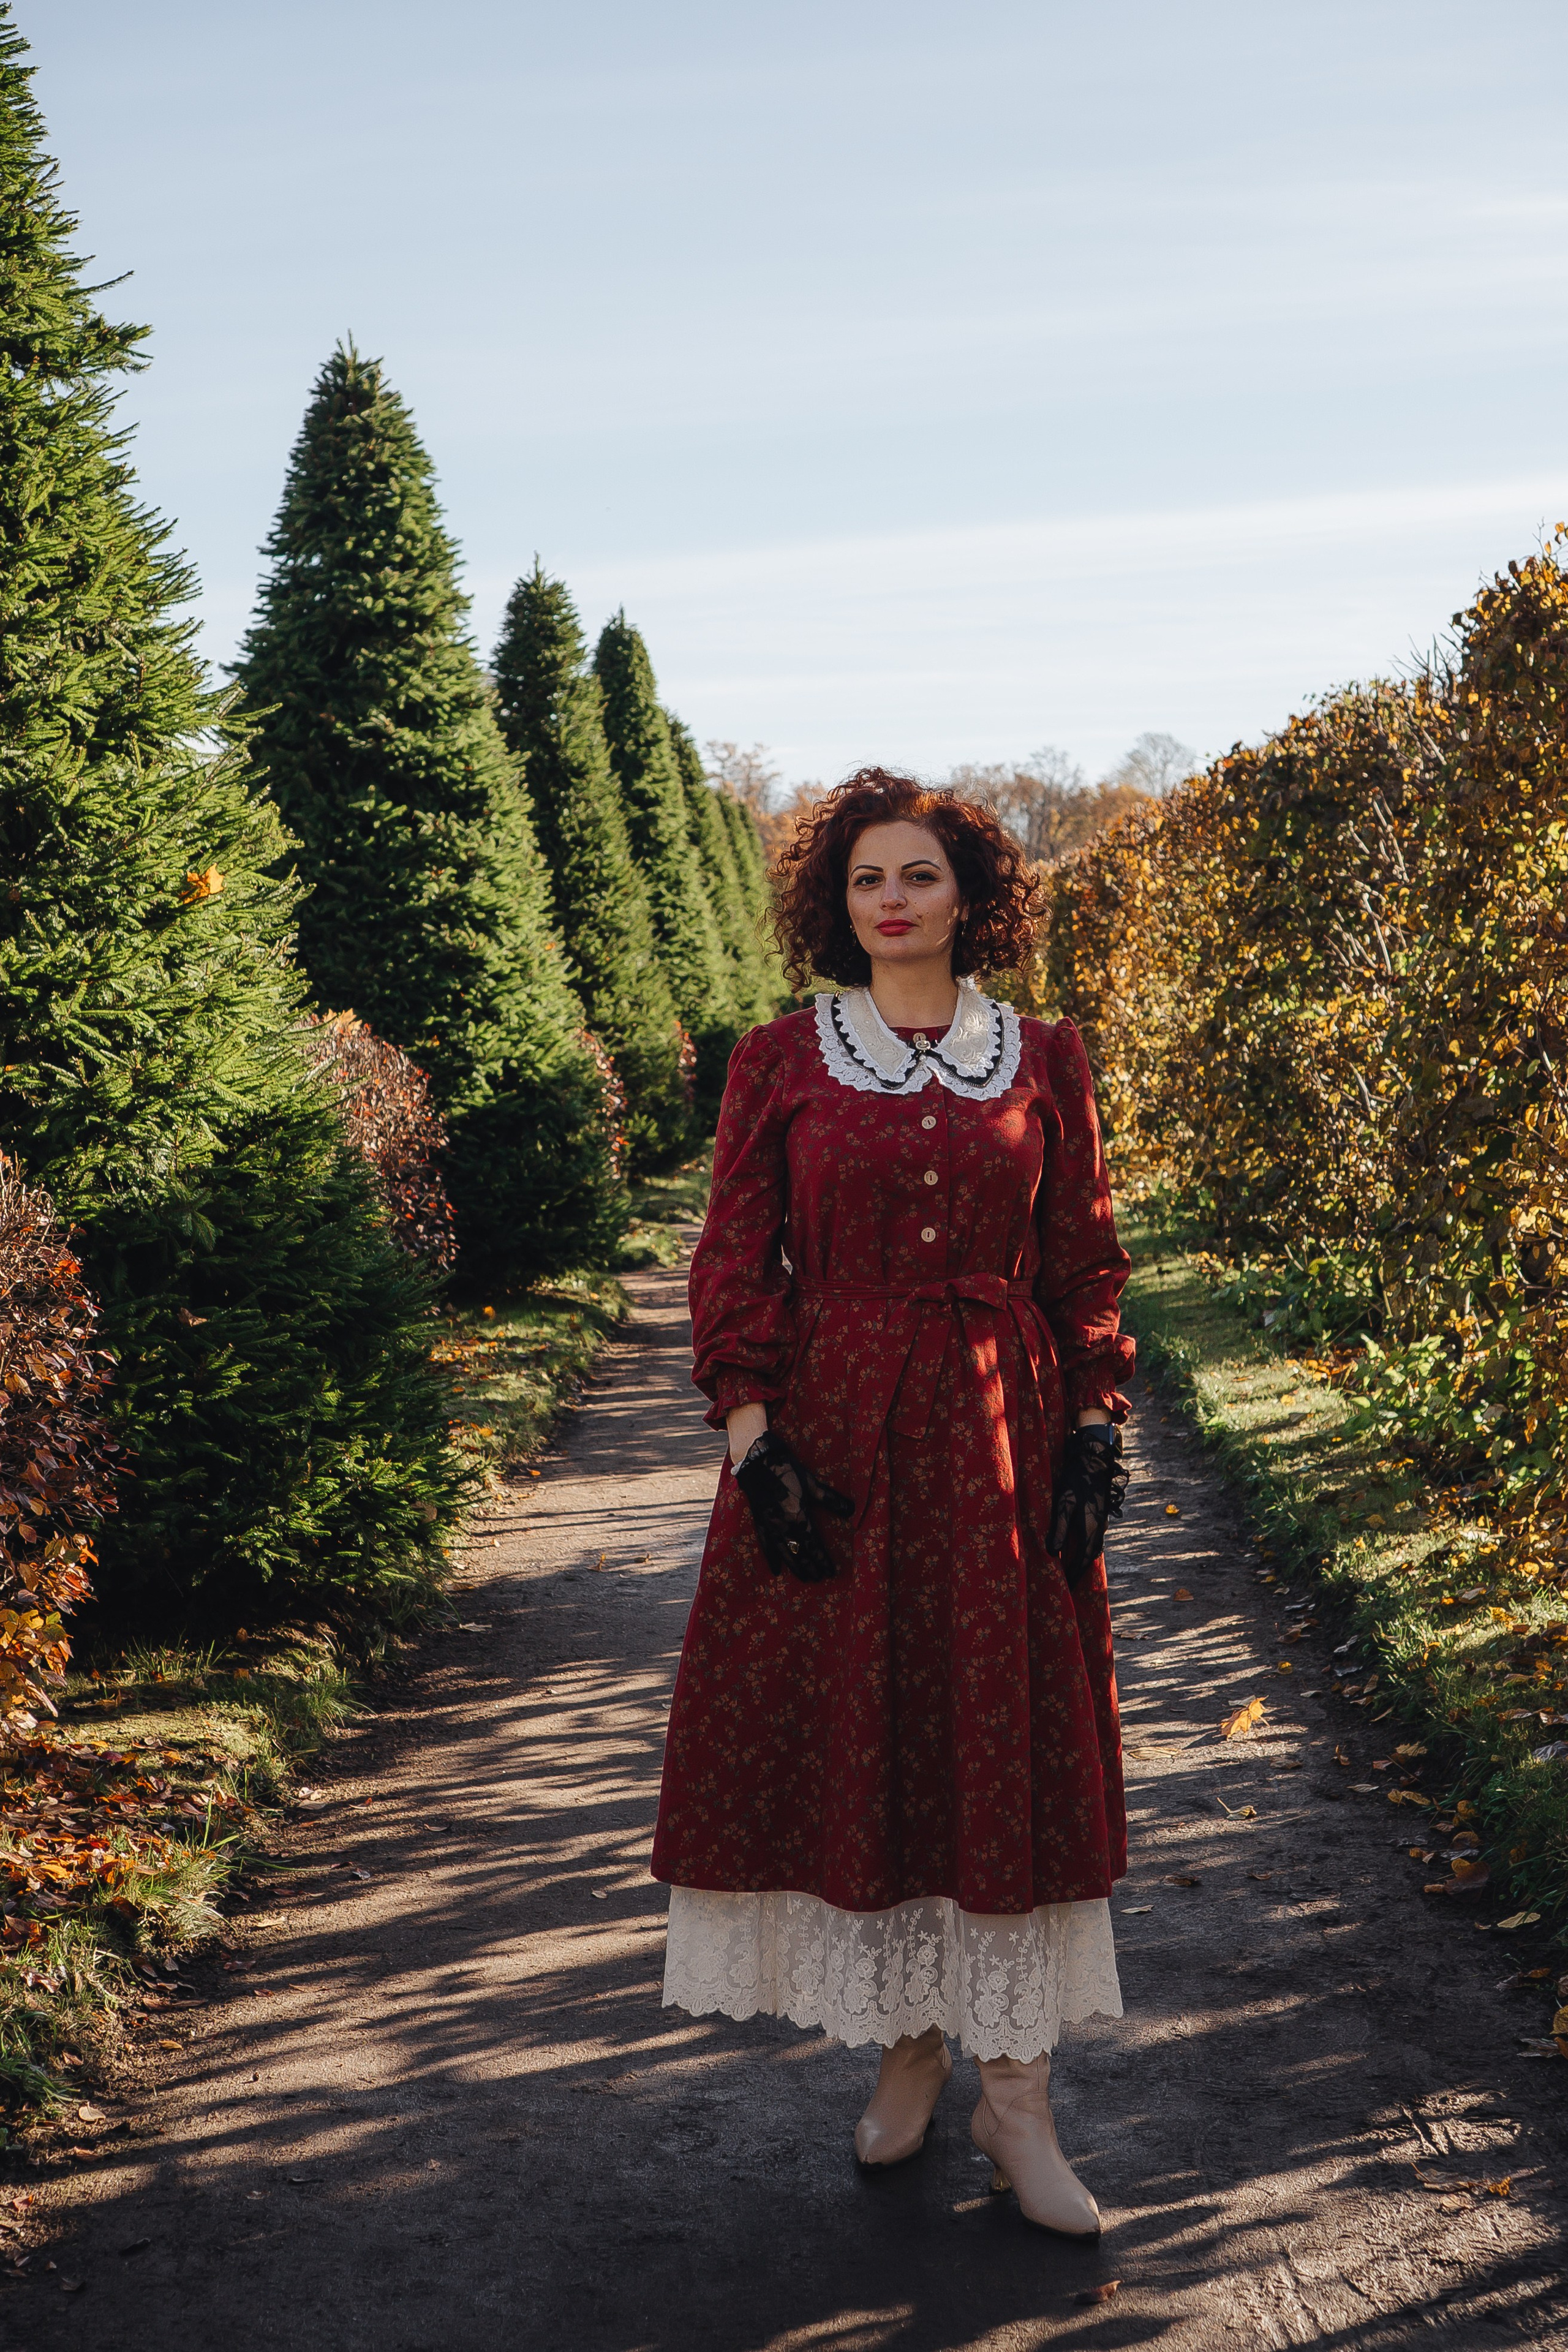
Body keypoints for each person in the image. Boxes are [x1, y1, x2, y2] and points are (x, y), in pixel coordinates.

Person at [651, 768, 1133, 2237]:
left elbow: (1084, 1256)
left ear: (966, 894)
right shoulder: (778, 1059)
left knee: (1000, 1739)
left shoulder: (1042, 1055)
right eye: (868, 879)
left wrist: (1095, 1429)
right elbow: (733, 1257)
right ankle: (912, 2049)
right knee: (877, 1736)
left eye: (918, 875)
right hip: (839, 1437)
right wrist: (752, 1435)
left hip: (999, 1437)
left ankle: (1019, 2103)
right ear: (835, 903)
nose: (893, 901)